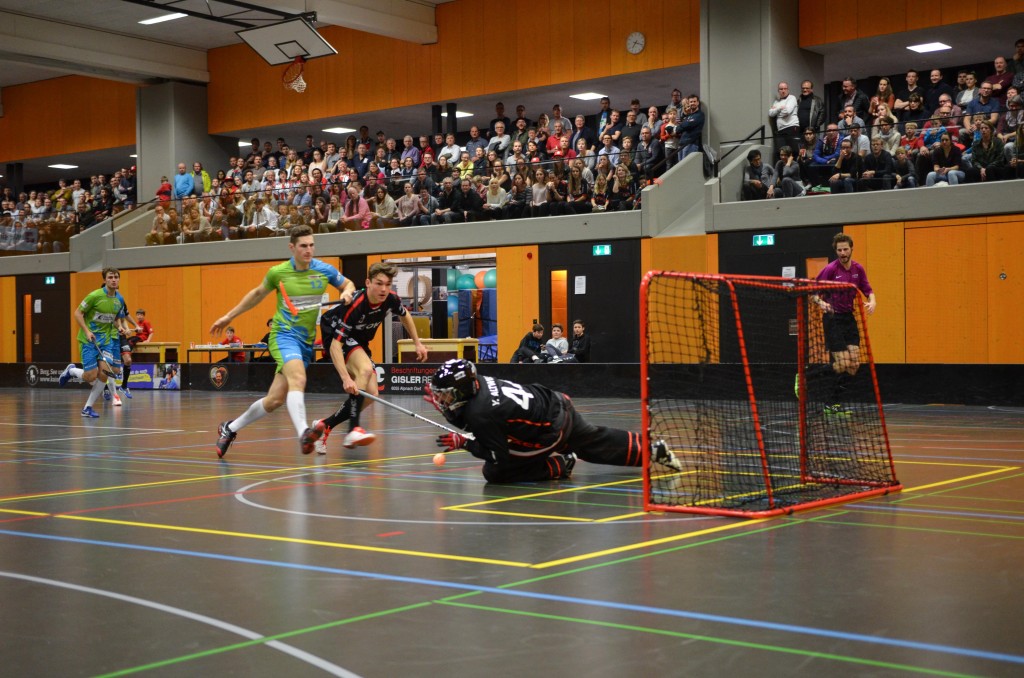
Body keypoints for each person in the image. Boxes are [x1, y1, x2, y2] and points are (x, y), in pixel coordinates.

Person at [210, 225, 357, 458]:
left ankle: (229, 428)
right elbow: (256, 294)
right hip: (283, 336)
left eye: (311, 245)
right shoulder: (278, 273)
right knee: (299, 377)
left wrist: (347, 292)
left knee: (274, 400)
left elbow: (348, 284)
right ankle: (303, 434)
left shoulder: (324, 270)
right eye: (303, 246)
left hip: (305, 342)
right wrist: (228, 316)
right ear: (292, 247)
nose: (309, 250)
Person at [428, 359, 681, 483]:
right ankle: (651, 449)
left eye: (447, 395)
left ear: (462, 390)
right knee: (594, 440)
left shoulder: (480, 412)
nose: (443, 400)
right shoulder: (478, 382)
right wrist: (449, 414)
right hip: (555, 402)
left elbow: (498, 455)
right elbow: (478, 421)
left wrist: (464, 444)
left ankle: (559, 465)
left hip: (552, 430)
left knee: (494, 471)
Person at [312, 262, 428, 453]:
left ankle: (326, 425)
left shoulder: (390, 299)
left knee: (371, 394)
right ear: (368, 282)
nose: (383, 289)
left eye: (388, 284)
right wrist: (345, 378)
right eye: (379, 283)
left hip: (358, 340)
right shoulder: (356, 306)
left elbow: (405, 314)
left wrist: (417, 342)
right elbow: (335, 345)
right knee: (364, 371)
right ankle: (353, 430)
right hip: (335, 335)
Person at [809, 233, 876, 414]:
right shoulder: (831, 269)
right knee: (843, 362)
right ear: (836, 251)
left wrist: (872, 301)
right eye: (839, 250)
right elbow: (813, 293)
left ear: (851, 248)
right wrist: (822, 303)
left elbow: (868, 290)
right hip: (833, 319)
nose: (843, 253)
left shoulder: (858, 269)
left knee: (853, 366)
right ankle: (807, 375)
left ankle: (833, 403)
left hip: (849, 318)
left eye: (846, 249)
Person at [58, 268, 128, 418]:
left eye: (116, 277)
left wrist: (120, 327)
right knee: (90, 376)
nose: (114, 280)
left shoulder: (119, 299)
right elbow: (78, 313)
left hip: (107, 341)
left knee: (104, 373)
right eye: (110, 277)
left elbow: (115, 319)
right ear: (105, 280)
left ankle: (87, 408)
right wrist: (87, 331)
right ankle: (71, 371)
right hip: (88, 340)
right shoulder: (94, 296)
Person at [768, 82, 800, 160]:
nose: (783, 91)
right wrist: (780, 108)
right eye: (781, 89)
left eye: (785, 89)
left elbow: (787, 111)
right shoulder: (776, 102)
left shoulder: (792, 98)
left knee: (793, 152)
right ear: (778, 91)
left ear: (788, 90)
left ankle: (794, 170)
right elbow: (771, 113)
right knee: (781, 153)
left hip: (791, 127)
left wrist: (777, 111)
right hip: (780, 130)